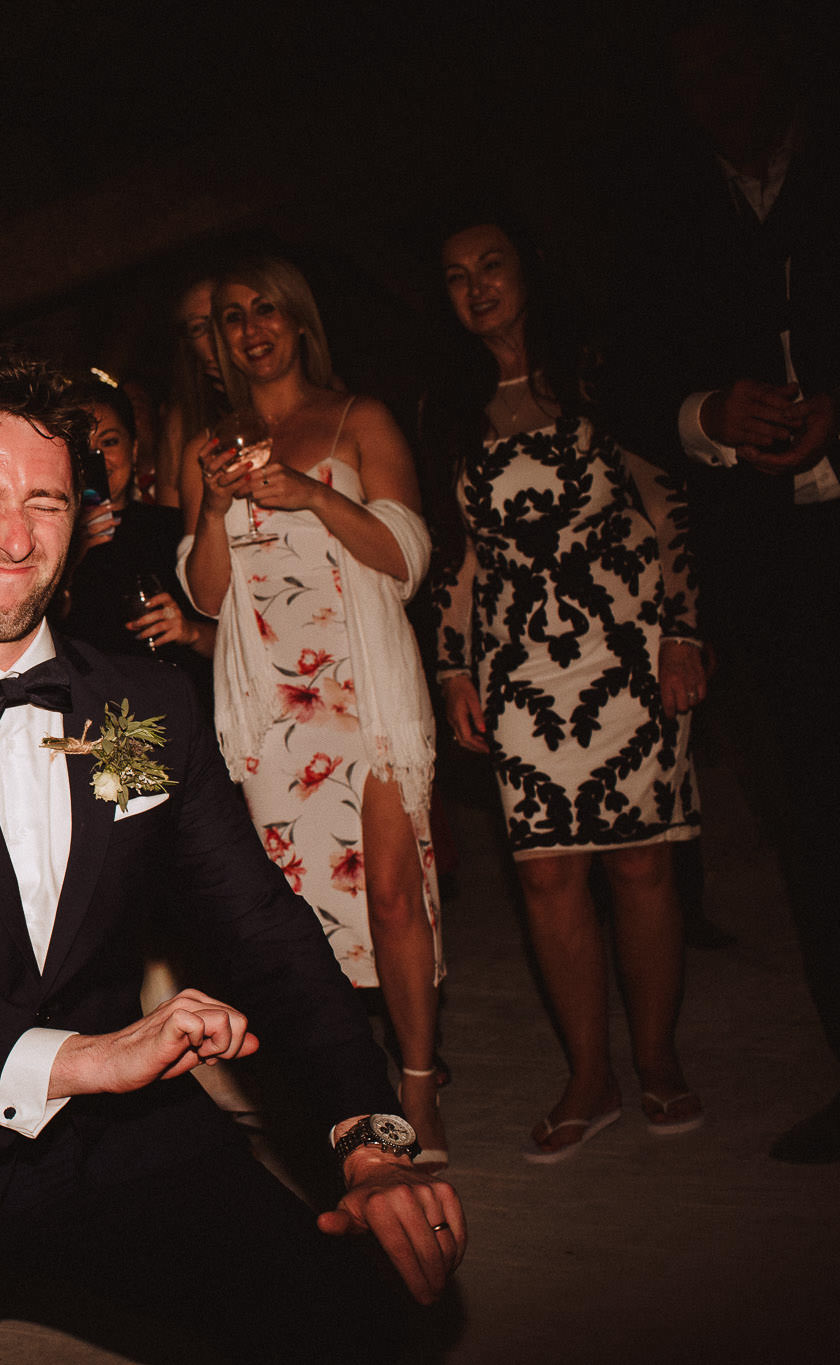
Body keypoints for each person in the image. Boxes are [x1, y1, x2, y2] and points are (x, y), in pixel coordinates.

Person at [0, 347, 463, 1365]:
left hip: (109, 1149)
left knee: (359, 1315)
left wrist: (364, 1132)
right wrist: (83, 1061)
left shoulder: (137, 708)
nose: (14, 534)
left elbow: (256, 924)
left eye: (44, 500)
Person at [604, 2, 840, 1165]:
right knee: (811, 825)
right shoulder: (662, 205)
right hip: (775, 577)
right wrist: (707, 414)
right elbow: (628, 371)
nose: (713, 93)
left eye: (727, 65)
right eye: (688, 77)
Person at [429, 220, 708, 1158]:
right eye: (458, 278)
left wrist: (682, 629)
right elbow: (457, 554)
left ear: (528, 270)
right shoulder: (452, 406)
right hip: (521, 668)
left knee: (641, 862)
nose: (477, 289)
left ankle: (658, 1057)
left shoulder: (596, 372)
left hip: (629, 649)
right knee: (546, 874)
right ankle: (590, 1075)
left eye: (492, 266)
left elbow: (667, 503)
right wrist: (454, 663)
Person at [178, 256, 448, 1164]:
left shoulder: (358, 416)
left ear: (298, 321)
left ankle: (417, 1085)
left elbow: (407, 556)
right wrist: (215, 509)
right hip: (272, 713)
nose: (251, 328)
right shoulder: (208, 446)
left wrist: (314, 495)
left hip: (364, 691)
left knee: (391, 892)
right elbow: (208, 598)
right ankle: (337, 1097)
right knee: (290, 916)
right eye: (232, 316)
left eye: (266, 310)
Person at [56, 379, 214, 686]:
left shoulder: (174, 527)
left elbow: (232, 638)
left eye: (110, 442)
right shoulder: (54, 539)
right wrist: (77, 552)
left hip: (176, 697)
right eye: (82, 447)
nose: (97, 458)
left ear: (135, 448)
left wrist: (188, 631)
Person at [155, 276, 231, 507]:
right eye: (199, 327)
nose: (214, 335)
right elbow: (169, 515)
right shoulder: (185, 419)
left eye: (221, 318)